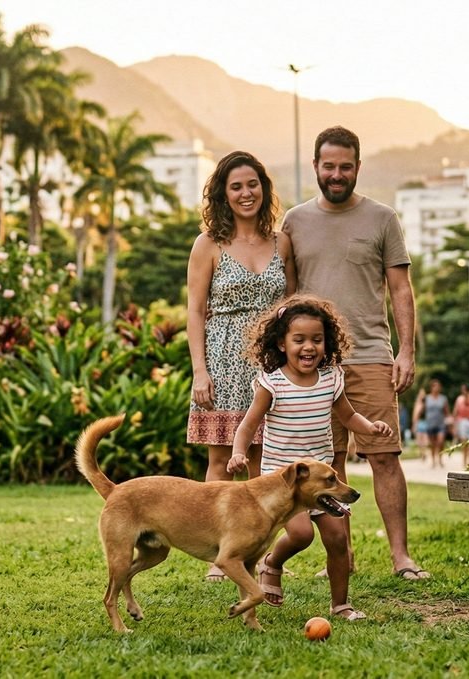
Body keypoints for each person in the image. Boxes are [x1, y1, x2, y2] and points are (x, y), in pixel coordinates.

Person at [283, 126, 428, 580]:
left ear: (358, 168)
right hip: (313, 362)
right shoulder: (295, 221)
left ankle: (401, 556)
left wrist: (406, 351)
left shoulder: (383, 218)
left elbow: (401, 289)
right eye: (329, 166)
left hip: (370, 354)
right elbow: (287, 297)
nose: (337, 174)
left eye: (346, 166)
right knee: (331, 465)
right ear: (316, 167)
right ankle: (341, 560)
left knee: (384, 455)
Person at [227, 296, 393, 621]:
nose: (309, 347)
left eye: (317, 339)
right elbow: (248, 425)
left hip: (321, 483)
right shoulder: (271, 383)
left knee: (338, 539)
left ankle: (341, 604)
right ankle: (273, 563)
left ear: (327, 342)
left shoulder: (331, 379)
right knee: (301, 534)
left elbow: (348, 416)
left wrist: (370, 427)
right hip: (284, 483)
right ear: (281, 342)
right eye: (299, 339)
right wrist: (237, 452)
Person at [186, 150, 292, 582]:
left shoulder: (281, 242)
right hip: (223, 359)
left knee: (265, 463)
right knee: (221, 458)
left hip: (269, 362)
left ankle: (255, 556)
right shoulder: (208, 243)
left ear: (263, 189)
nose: (246, 193)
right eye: (236, 187)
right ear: (222, 195)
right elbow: (194, 311)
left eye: (252, 184)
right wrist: (199, 370)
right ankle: (219, 557)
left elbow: (293, 308)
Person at [414, 379, 450, 469]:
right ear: (431, 388)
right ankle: (434, 461)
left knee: (440, 442)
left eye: (438, 386)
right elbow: (420, 409)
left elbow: (446, 412)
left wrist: (450, 423)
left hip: (440, 424)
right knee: (432, 443)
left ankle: (440, 459)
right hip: (430, 424)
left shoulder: (443, 398)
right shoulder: (427, 398)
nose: (436, 388)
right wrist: (416, 419)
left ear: (440, 387)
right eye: (434, 386)